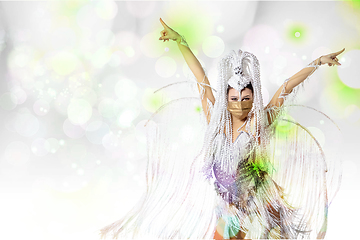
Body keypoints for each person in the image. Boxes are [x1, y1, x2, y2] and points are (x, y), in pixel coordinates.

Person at [98, 18, 343, 239]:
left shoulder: (260, 122)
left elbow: (286, 87)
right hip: (225, 206)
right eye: (234, 99)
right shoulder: (216, 122)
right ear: (226, 99)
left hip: (254, 206)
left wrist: (318, 62)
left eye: (246, 99)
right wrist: (181, 42)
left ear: (253, 98)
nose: (240, 105)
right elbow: (201, 80)